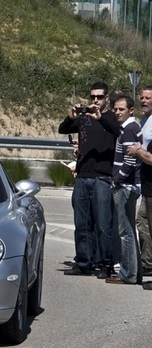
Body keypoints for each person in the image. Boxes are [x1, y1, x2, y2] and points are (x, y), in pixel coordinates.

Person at [58, 82, 120, 278]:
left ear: (107, 98)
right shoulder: (84, 119)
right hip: (83, 176)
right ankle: (84, 262)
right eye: (93, 97)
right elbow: (63, 129)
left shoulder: (111, 117)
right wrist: (71, 116)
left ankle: (106, 264)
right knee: (82, 223)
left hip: (102, 177)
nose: (95, 101)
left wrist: (100, 118)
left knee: (103, 225)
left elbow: (117, 131)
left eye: (99, 97)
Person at [105, 95, 141, 284]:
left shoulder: (129, 129)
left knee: (125, 231)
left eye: (121, 109)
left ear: (131, 110)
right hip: (129, 184)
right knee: (129, 230)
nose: (117, 112)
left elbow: (130, 160)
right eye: (115, 109)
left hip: (126, 186)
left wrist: (116, 180)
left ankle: (128, 274)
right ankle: (135, 272)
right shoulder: (129, 128)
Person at [126, 85, 152, 289]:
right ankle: (147, 264)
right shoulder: (144, 120)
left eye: (147, 98)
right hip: (146, 180)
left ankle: (147, 264)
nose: (143, 101)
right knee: (144, 221)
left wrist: (138, 151)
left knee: (143, 220)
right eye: (141, 97)